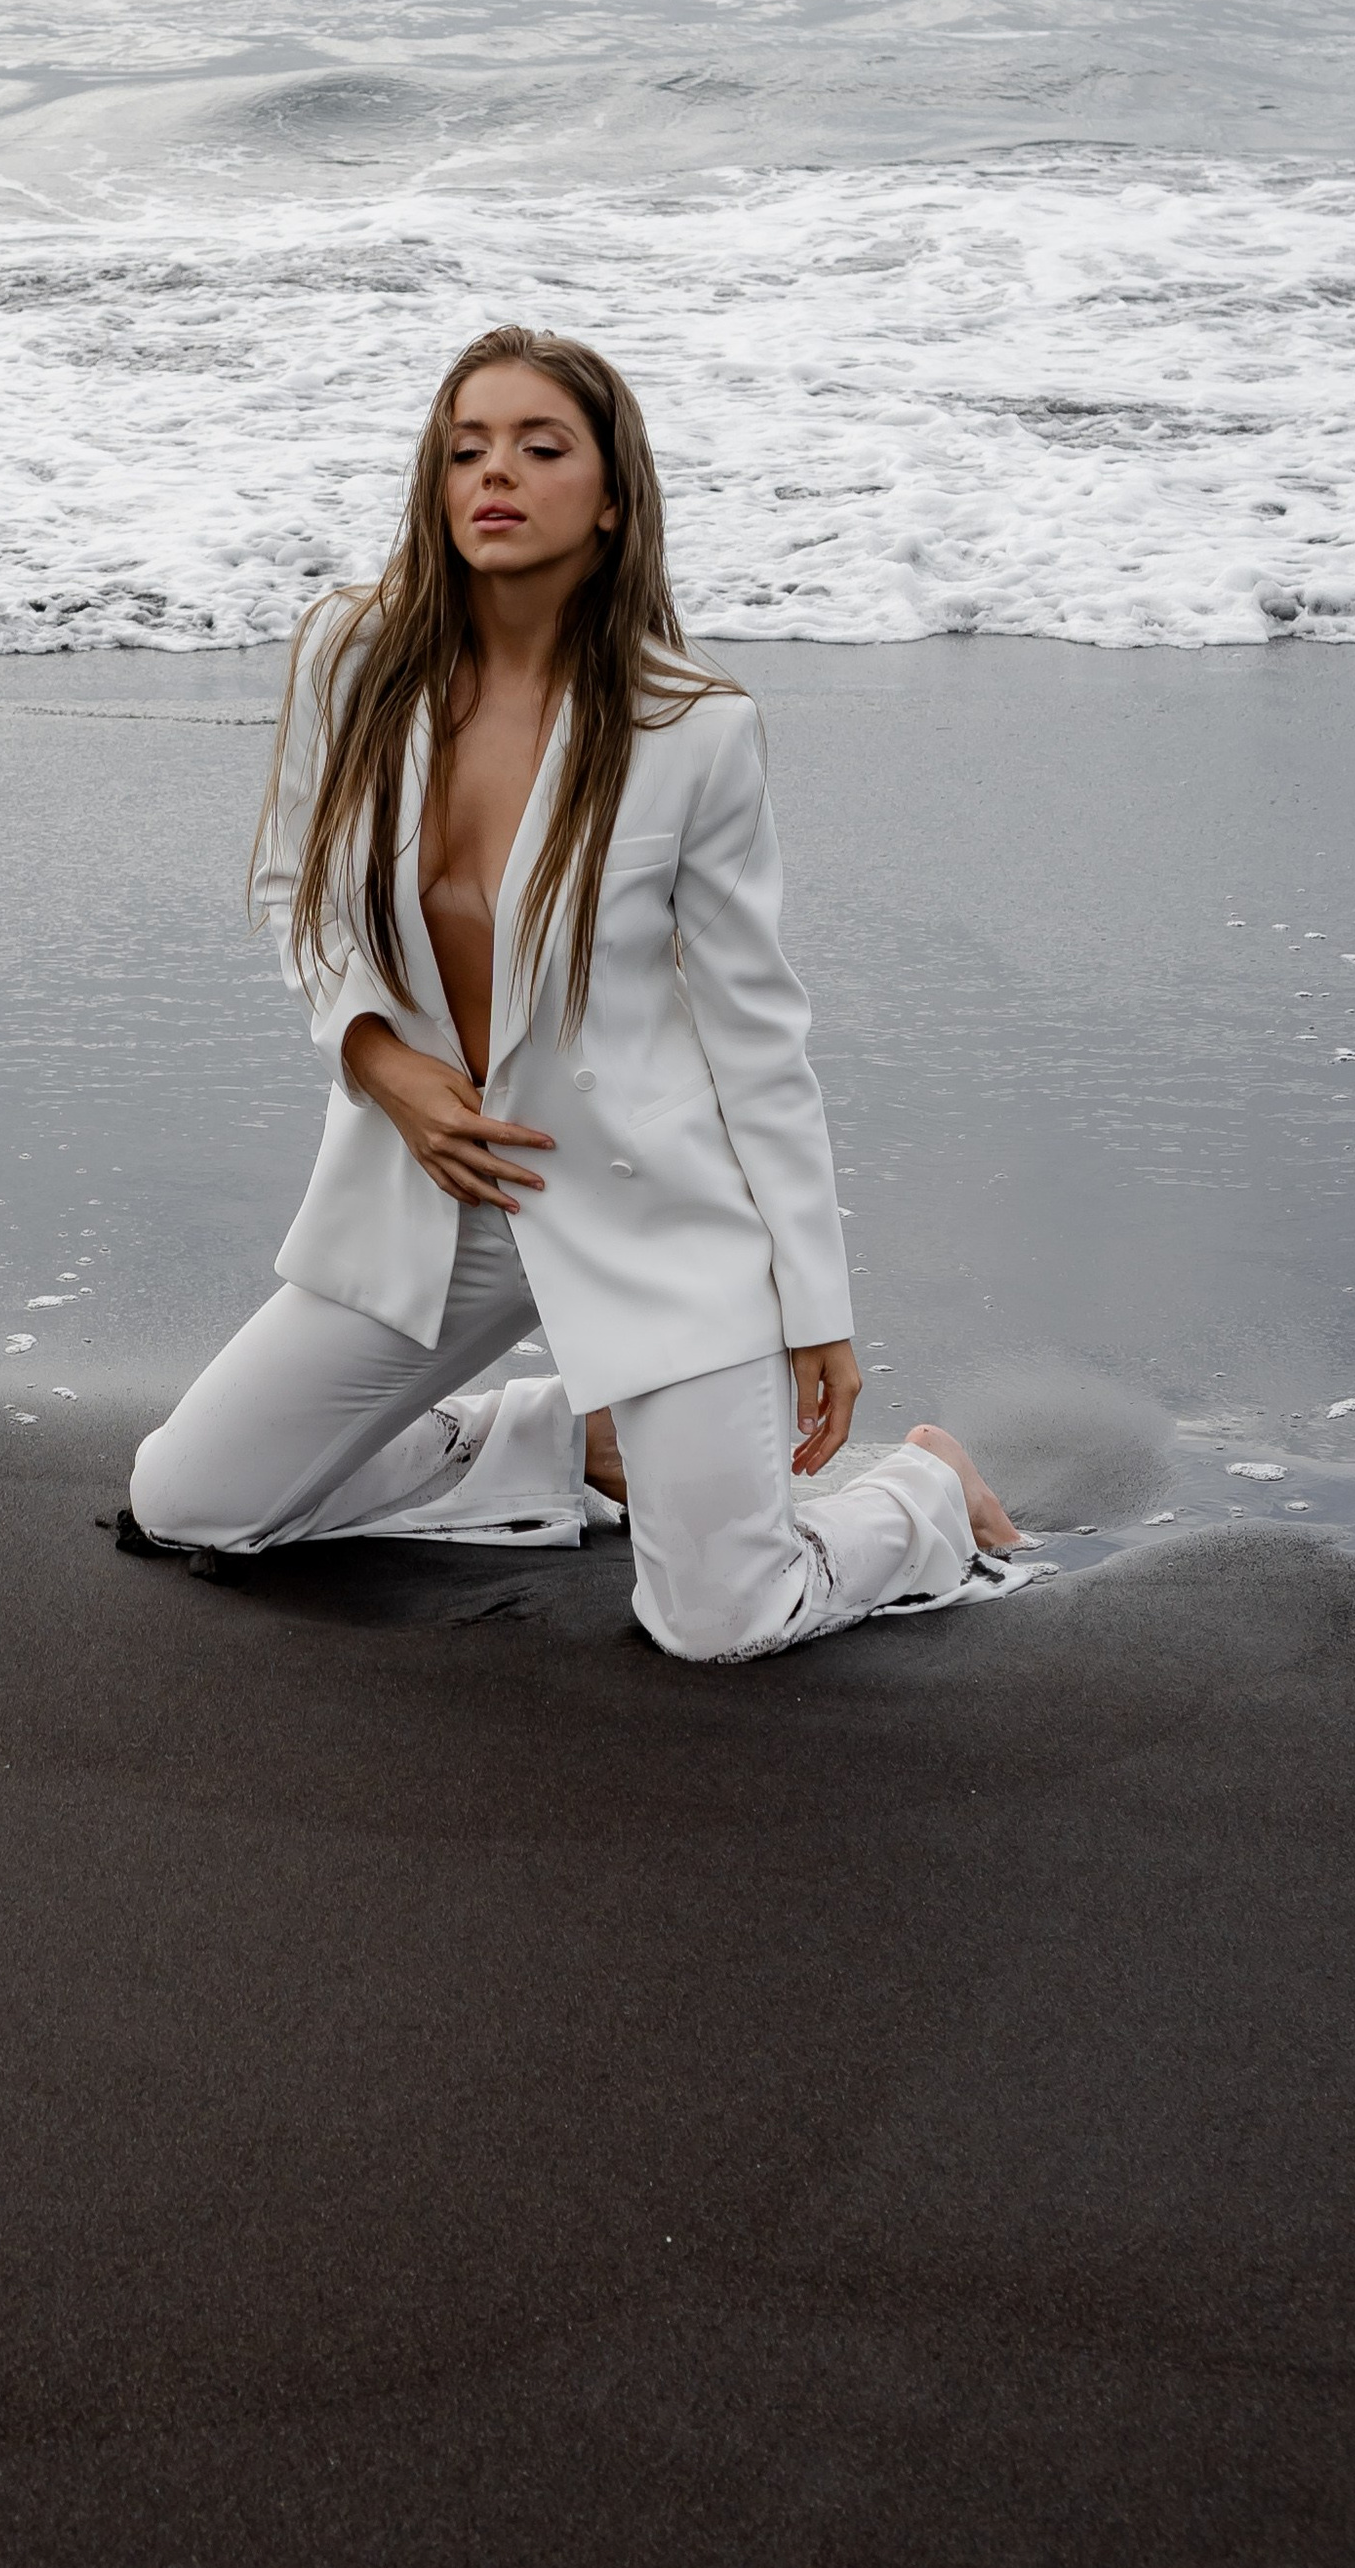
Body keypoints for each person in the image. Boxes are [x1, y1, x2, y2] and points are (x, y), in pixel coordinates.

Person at [119, 325, 1026, 1660]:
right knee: (190, 1499)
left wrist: (815, 1304)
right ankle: (565, 1438)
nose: (497, 474)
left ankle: (930, 1493)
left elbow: (755, 1034)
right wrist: (378, 1055)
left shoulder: (693, 729)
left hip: (652, 1207)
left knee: (721, 1622)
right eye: (466, 448)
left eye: (542, 448)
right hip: (440, 1186)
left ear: (610, 499)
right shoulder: (350, 656)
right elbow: (295, 894)